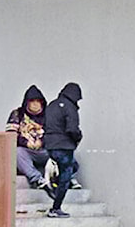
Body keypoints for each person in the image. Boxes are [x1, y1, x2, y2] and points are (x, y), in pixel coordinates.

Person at [6, 84, 55, 197]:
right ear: (27, 102)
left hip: (45, 151)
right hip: (27, 151)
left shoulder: (49, 115)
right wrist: (26, 143)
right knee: (17, 152)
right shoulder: (17, 114)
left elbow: (55, 134)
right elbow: (10, 135)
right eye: (32, 101)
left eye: (38, 101)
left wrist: (42, 141)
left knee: (61, 151)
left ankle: (65, 179)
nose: (35, 104)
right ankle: (37, 179)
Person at [43, 82, 83, 219]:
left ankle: (55, 184)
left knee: (73, 166)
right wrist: (78, 137)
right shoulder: (70, 107)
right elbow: (72, 129)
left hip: (50, 146)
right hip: (65, 146)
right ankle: (56, 208)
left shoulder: (51, 105)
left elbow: (45, 124)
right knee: (66, 176)